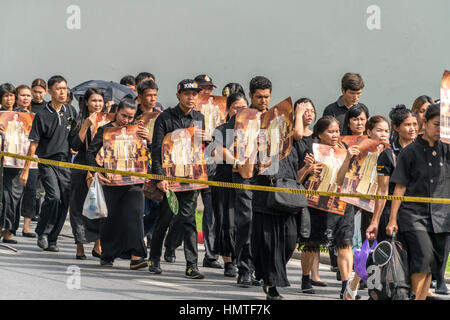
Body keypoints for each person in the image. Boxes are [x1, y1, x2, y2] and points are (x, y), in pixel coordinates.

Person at [386, 103, 450, 300]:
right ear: (425, 122)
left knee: (433, 262)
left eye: (444, 126)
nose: (440, 130)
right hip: (414, 215)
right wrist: (392, 219)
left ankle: (418, 297)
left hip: (442, 216)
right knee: (422, 256)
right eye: (436, 124)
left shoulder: (447, 150)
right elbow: (400, 187)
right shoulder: (410, 152)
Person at [148, 79, 208, 279]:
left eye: (194, 94)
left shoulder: (199, 117)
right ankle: (154, 258)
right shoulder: (165, 118)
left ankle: (192, 266)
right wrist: (159, 178)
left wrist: (206, 139)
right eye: (187, 94)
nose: (191, 97)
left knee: (189, 221)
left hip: (191, 178)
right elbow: (156, 149)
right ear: (178, 95)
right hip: (169, 178)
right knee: (164, 219)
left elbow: (199, 151)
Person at [86, 98, 148, 269]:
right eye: (123, 116)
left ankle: (137, 256)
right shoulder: (105, 130)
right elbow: (90, 154)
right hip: (110, 181)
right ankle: (107, 256)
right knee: (110, 218)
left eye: (130, 117)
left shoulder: (138, 130)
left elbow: (149, 152)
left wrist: (148, 139)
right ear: (116, 111)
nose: (126, 120)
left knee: (135, 214)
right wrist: (97, 172)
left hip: (134, 182)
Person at [305, 116, 361, 299]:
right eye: (330, 131)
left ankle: (346, 286)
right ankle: (306, 277)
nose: (335, 135)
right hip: (319, 204)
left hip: (343, 203)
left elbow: (346, 177)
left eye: (337, 131)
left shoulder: (346, 149)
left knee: (345, 243)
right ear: (320, 134)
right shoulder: (313, 151)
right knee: (313, 243)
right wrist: (309, 168)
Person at [19, 75, 77, 252]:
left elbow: (74, 138)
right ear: (50, 91)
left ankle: (53, 238)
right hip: (47, 162)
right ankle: (42, 232)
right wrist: (26, 170)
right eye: (58, 88)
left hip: (66, 164)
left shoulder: (70, 112)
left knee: (64, 200)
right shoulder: (42, 114)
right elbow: (34, 144)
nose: (63, 92)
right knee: (54, 197)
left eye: (65, 88)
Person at [233, 76, 272, 287]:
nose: (263, 100)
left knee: (263, 223)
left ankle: (260, 268)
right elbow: (229, 144)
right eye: (259, 97)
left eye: (266, 97)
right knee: (246, 222)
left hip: (267, 175)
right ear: (250, 96)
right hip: (244, 175)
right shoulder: (240, 117)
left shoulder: (275, 117)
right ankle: (244, 269)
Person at [209, 92, 249, 277]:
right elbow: (216, 152)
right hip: (224, 181)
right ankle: (228, 262)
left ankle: (244, 260)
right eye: (236, 108)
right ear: (228, 109)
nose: (240, 111)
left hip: (246, 182)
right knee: (226, 222)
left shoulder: (252, 129)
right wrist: (236, 161)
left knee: (245, 223)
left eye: (243, 108)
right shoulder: (221, 129)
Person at [294, 98, 329, 292]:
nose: (309, 113)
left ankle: (310, 276)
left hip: (318, 194)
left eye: (311, 110)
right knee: (302, 237)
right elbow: (298, 134)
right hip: (299, 190)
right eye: (304, 110)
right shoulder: (295, 137)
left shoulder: (319, 140)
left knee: (314, 237)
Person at [68, 88, 104, 260]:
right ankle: (80, 246)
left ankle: (98, 245)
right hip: (81, 167)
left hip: (101, 166)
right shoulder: (79, 120)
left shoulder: (108, 122)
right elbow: (74, 145)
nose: (97, 104)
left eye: (100, 101)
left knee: (100, 207)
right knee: (78, 207)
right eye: (94, 101)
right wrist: (85, 126)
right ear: (86, 102)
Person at [13, 85, 38, 239]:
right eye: (22, 95)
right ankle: (12, 225)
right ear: (16, 97)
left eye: (28, 95)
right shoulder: (10, 115)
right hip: (13, 158)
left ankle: (27, 226)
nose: (26, 98)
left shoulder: (36, 115)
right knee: (14, 194)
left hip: (32, 158)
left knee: (31, 192)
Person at [0, 83, 22, 244]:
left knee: (12, 197)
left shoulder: (23, 115)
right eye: (6, 95)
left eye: (11, 95)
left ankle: (9, 230)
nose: (9, 99)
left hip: (15, 160)